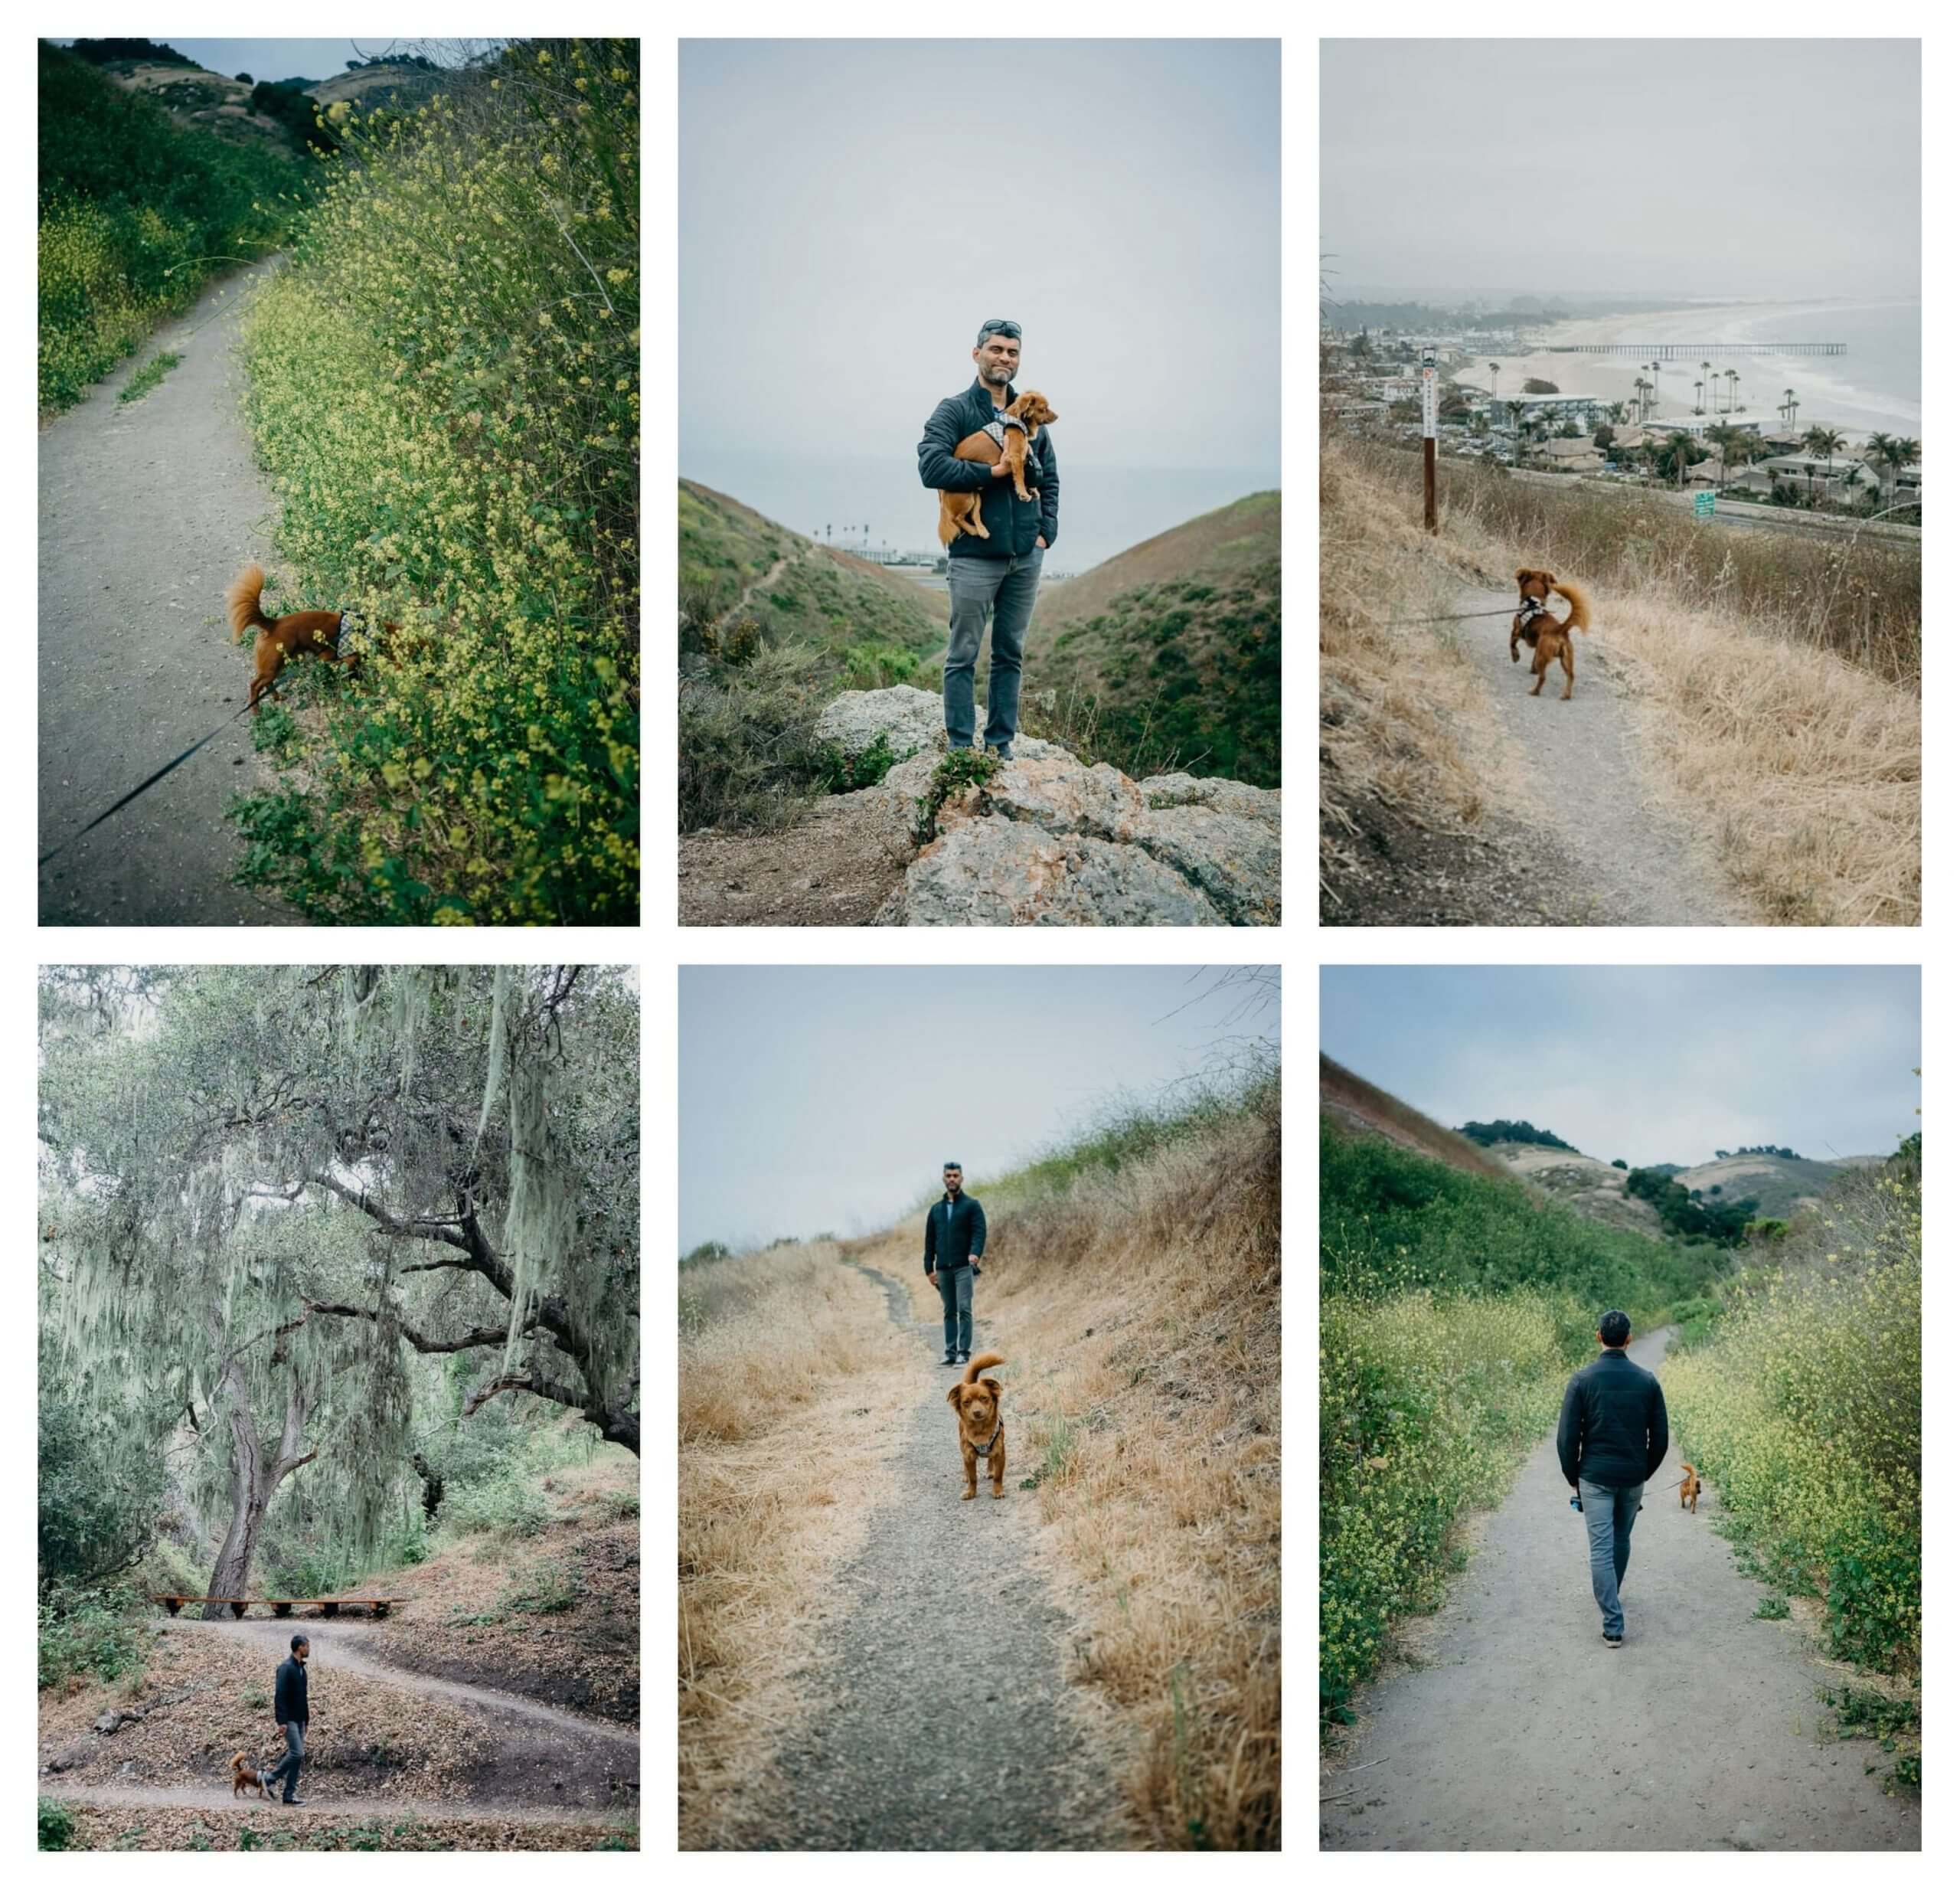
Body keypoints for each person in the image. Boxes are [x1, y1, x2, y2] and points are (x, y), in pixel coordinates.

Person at [916, 319, 1061, 760]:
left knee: (1010, 653)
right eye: (996, 350)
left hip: (1025, 557)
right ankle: (961, 749)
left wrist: (1044, 534)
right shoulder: (955, 410)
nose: (1004, 358)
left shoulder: (1031, 414)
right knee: (962, 654)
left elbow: (1050, 478)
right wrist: (991, 473)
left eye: (1012, 352)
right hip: (975, 556)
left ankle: (1001, 745)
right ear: (976, 353)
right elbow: (931, 468)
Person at [1556, 1310, 1669, 1648]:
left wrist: (1573, 1477)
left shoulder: (1582, 1380)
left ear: (1598, 1336)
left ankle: (1612, 1622)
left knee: (1602, 1548)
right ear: (1629, 1339)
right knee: (1621, 1540)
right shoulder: (1647, 1381)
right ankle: (1612, 1597)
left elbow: (1567, 1438)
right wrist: (1642, 1473)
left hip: (1594, 1477)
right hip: (1632, 1478)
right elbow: (1660, 1440)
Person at [923, 1161, 986, 1367]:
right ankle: (950, 1353)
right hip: (942, 1268)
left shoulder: (971, 1205)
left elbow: (979, 1232)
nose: (952, 1179)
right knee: (949, 1310)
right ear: (944, 1179)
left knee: (964, 1307)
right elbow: (930, 1241)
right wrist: (928, 1269)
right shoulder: (936, 1210)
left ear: (961, 1179)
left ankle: (963, 1353)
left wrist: (975, 1254)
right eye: (948, 1176)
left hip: (963, 1266)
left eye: (955, 1176)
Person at [260, 1633, 312, 1804]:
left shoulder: (301, 1670)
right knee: (297, 1753)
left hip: (299, 1719)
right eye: (307, 1646)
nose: (308, 1649)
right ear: (299, 1647)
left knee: (296, 1757)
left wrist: (306, 1721)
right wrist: (281, 1721)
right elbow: (280, 1696)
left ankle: (289, 1795)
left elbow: (304, 1697)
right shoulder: (286, 1668)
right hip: (289, 1718)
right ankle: (268, 1778)